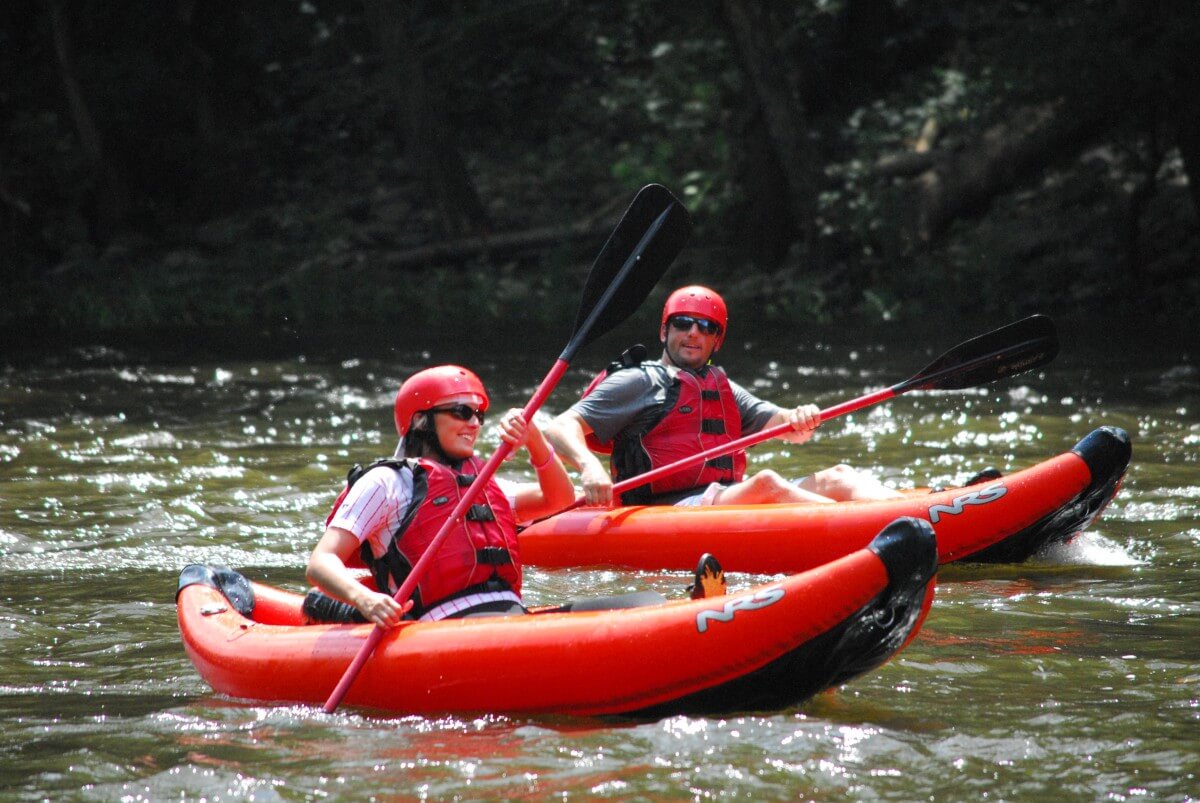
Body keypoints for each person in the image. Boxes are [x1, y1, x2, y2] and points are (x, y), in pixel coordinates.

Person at [544, 285, 903, 508]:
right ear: (664, 331)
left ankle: (914, 515)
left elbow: (789, 429)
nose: (693, 333)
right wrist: (589, 467)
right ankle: (868, 528)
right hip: (663, 507)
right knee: (766, 483)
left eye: (706, 327)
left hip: (723, 496)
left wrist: (800, 417)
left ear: (717, 340)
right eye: (683, 323)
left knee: (840, 476)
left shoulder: (722, 387)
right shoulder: (638, 381)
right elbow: (560, 426)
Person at [306, 364, 577, 626]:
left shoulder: (479, 482)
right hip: (441, 625)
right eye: (462, 412)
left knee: (605, 607)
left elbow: (559, 499)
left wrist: (534, 440)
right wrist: (364, 599)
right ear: (420, 420)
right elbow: (321, 562)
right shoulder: (387, 482)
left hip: (509, 614)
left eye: (478, 415)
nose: (474, 423)